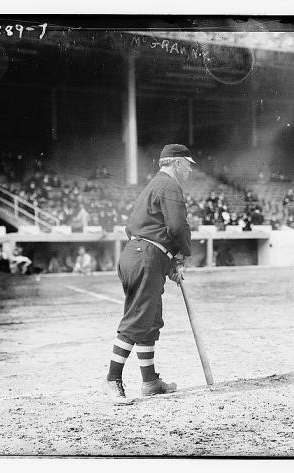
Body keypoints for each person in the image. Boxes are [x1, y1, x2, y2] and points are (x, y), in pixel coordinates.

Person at [103, 144, 195, 405]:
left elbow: (146, 229)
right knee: (138, 319)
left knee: (150, 320)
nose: (189, 169)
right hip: (145, 256)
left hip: (143, 254)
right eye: (187, 164)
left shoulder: (155, 184)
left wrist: (168, 264)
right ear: (176, 163)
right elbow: (176, 226)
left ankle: (150, 382)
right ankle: (112, 379)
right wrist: (183, 254)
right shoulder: (169, 185)